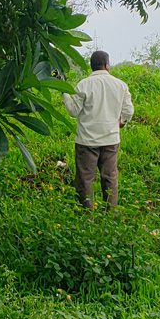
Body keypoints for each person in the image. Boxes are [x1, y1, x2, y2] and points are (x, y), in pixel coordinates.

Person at [63, 50, 134, 208]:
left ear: (91, 66)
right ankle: (110, 215)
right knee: (110, 177)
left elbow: (73, 111)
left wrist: (64, 92)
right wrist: (122, 122)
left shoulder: (84, 84)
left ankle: (86, 215)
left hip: (86, 141)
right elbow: (128, 110)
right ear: (107, 65)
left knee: (85, 178)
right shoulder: (120, 85)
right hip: (110, 139)